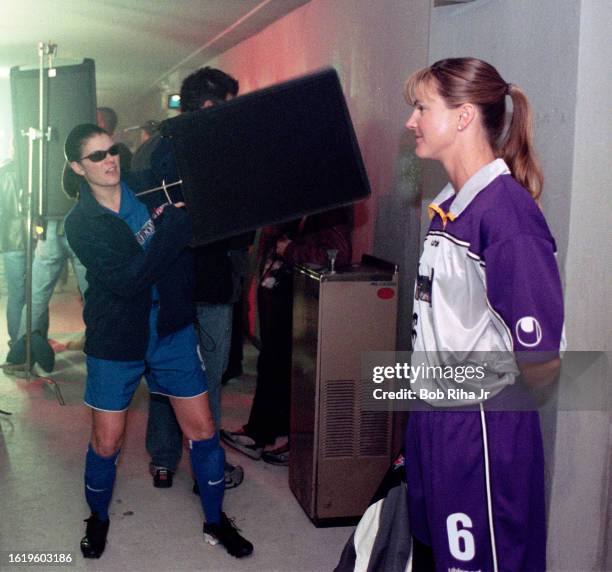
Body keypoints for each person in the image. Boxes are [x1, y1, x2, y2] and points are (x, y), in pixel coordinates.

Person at [402, 58, 564, 570]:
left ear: (464, 116)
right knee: (431, 552)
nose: (411, 121)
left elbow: (540, 361)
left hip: (478, 428)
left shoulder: (507, 215)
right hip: (433, 418)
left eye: (422, 108)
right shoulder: (449, 204)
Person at [63, 123, 253, 559]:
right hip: (116, 339)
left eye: (112, 150)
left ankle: (215, 519)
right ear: (77, 167)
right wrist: (172, 233)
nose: (110, 160)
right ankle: (98, 517)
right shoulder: (81, 224)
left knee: (204, 431)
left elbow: (196, 197)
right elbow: (129, 281)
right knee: (106, 442)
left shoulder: (149, 188)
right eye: (96, 156)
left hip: (170, 331)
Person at [140, 67, 250, 491]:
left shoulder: (152, 151)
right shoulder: (220, 151)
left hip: (169, 283)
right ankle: (210, 468)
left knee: (167, 376)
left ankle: (164, 461)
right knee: (207, 381)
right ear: (208, 104)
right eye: (223, 104)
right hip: (208, 282)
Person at [221, 209, 352, 465]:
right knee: (275, 365)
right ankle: (268, 433)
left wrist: (290, 249)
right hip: (286, 295)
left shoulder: (329, 206)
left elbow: (338, 254)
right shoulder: (303, 204)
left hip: (302, 299)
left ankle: (268, 437)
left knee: (284, 367)